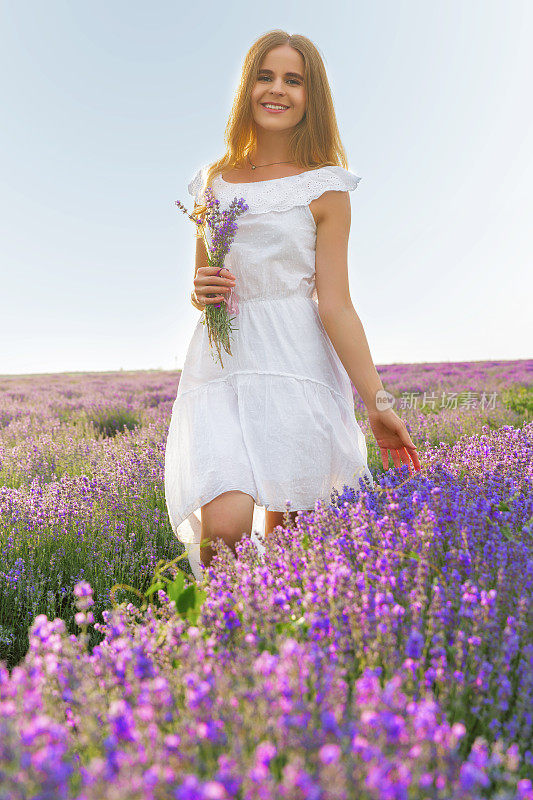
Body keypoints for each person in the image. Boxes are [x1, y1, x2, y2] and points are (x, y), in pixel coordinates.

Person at [164, 29, 420, 578]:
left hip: (297, 366)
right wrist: (199, 289)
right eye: (265, 76)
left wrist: (378, 403)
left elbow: (337, 306)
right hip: (224, 366)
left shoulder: (326, 189)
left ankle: (275, 657)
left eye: (293, 80)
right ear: (247, 87)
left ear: (311, 96)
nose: (276, 89)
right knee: (225, 532)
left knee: (292, 555)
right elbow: (202, 281)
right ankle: (220, 649)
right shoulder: (214, 180)